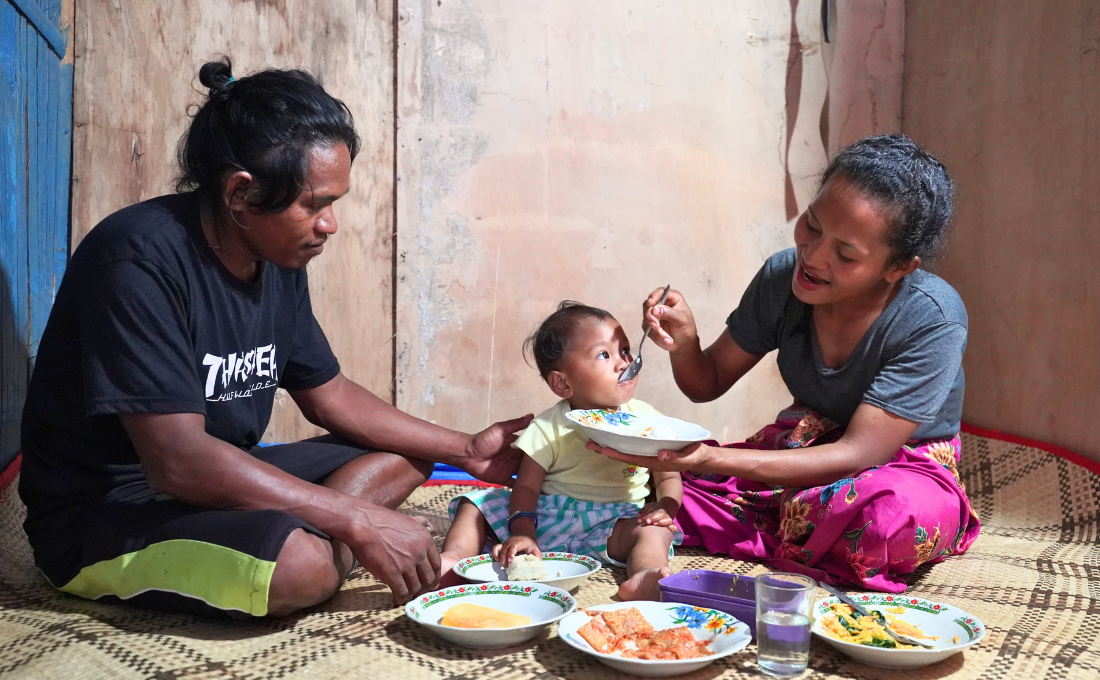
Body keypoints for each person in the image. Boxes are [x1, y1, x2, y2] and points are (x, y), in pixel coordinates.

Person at [18, 58, 531, 618]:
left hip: (217, 480)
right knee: (300, 567)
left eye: (334, 203)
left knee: (408, 454)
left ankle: (301, 537)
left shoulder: (276, 258)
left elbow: (328, 393)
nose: (329, 224)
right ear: (241, 192)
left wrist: (465, 448)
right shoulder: (137, 260)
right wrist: (354, 519)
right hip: (109, 513)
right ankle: (312, 553)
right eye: (315, 204)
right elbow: (178, 463)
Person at [588, 134, 981, 593]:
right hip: (802, 449)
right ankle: (796, 522)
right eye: (812, 225)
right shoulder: (782, 277)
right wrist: (685, 342)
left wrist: (713, 459)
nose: (813, 256)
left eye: (846, 253)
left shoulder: (932, 318)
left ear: (897, 268)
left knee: (885, 520)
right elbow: (706, 381)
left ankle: (788, 519)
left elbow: (861, 453)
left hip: (899, 465)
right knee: (658, 489)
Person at [439, 302, 682, 600]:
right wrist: (523, 531)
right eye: (605, 354)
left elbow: (668, 476)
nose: (623, 362)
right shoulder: (548, 426)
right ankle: (452, 561)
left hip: (614, 523)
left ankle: (645, 577)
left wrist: (666, 508)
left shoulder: (648, 421)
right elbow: (526, 487)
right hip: (547, 516)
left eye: (625, 350)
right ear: (562, 383)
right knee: (476, 503)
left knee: (654, 533)